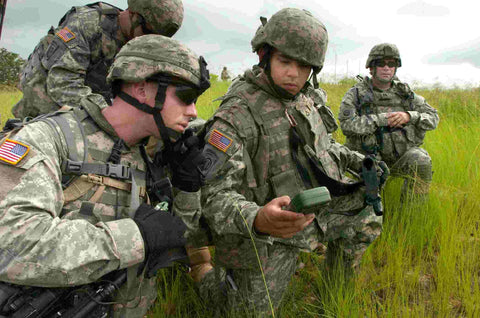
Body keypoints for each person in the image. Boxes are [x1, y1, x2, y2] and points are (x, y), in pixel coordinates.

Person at [0, 34, 210, 317]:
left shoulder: (154, 153)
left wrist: (186, 187)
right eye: (185, 97)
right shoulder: (50, 140)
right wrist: (136, 237)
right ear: (142, 89)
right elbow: (13, 246)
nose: (193, 110)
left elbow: (178, 236)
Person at [190, 8, 384, 315]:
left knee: (366, 209)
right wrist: (258, 218)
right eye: (285, 62)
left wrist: (358, 161)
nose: (293, 73)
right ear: (264, 57)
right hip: (266, 233)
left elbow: (325, 146)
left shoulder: (306, 97)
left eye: (303, 66)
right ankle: (201, 269)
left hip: (312, 210)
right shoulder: (236, 115)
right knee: (244, 312)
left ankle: (336, 292)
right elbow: (211, 196)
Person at [11, 0, 184, 120]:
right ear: (134, 15)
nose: (149, 41)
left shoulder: (141, 45)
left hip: (92, 114)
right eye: (147, 32)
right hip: (47, 110)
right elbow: (62, 85)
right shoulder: (86, 24)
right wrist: (115, 113)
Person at [338, 43, 439, 201]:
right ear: (371, 68)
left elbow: (433, 117)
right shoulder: (356, 94)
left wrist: (409, 116)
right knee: (366, 200)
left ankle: (411, 214)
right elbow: (346, 124)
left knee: (421, 160)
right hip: (366, 159)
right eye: (381, 63)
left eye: (391, 64)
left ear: (396, 68)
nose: (387, 68)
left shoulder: (405, 93)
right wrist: (381, 120)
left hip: (399, 159)